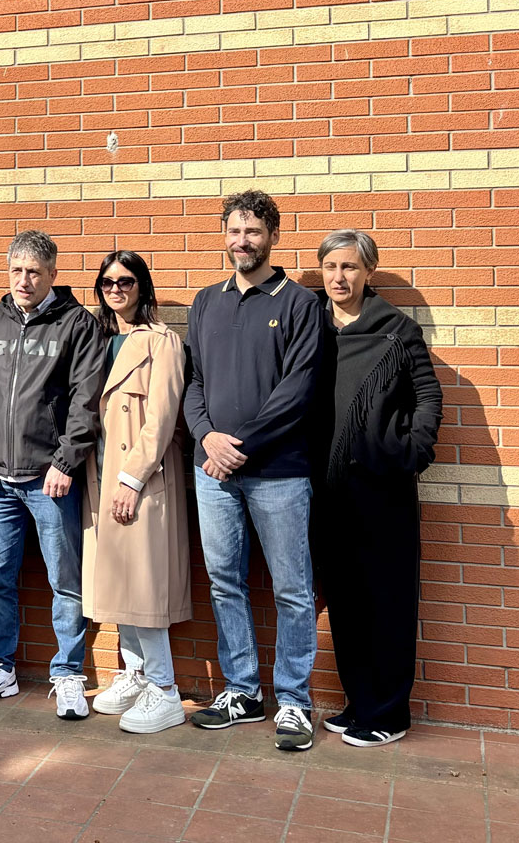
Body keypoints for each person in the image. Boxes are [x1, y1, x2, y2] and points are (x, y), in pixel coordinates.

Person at [182, 190, 323, 751]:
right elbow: (193, 383)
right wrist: (207, 438)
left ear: (273, 237)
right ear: (225, 234)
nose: (243, 242)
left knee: (292, 588)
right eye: (235, 231)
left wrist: (241, 445)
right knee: (225, 582)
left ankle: (294, 701)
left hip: (280, 472)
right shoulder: (206, 301)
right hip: (212, 472)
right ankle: (242, 690)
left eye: (255, 232)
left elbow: (300, 388)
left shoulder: (298, 303)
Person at [312, 229, 443, 747]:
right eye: (330, 268)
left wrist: (410, 451)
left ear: (369, 272)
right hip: (328, 486)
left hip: (382, 487)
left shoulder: (396, 330)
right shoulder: (313, 328)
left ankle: (389, 713)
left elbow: (427, 394)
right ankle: (359, 700)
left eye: (349, 267)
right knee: (344, 598)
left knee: (385, 599)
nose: (339, 277)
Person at [0, 230, 100, 721]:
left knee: (66, 581)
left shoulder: (78, 325)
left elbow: (87, 400)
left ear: (53, 275)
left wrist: (66, 461)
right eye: (17, 270)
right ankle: (1, 667)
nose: (24, 280)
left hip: (50, 480)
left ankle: (67, 674)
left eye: (34, 272)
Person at [81, 251, 192, 734]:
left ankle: (164, 690)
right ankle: (133, 673)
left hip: (139, 481)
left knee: (144, 587)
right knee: (120, 584)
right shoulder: (102, 340)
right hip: (100, 477)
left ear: (142, 286)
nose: (116, 289)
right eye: (107, 282)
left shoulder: (162, 342)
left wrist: (132, 478)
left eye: (126, 281)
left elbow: (162, 419)